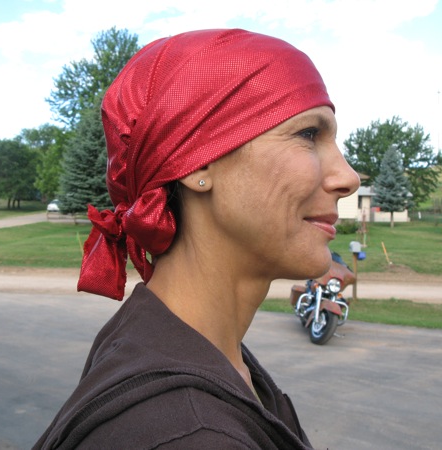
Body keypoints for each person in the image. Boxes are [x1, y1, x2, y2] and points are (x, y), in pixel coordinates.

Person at [34, 28, 359, 449]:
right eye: (308, 134)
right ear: (196, 163)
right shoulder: (189, 433)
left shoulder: (168, 339)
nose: (347, 177)